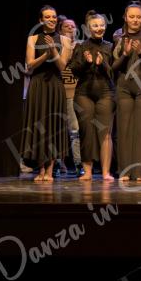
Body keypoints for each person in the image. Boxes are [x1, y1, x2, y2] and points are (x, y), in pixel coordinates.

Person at [21, 5, 73, 182]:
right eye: (48, 17)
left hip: (55, 85)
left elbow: (62, 66)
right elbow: (29, 65)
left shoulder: (65, 40)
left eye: (54, 17)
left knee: (53, 125)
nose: (51, 19)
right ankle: (40, 169)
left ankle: (50, 170)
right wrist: (45, 55)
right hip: (38, 84)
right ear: (40, 20)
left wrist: (54, 51)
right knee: (38, 123)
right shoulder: (33, 38)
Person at [112, 2, 141, 182]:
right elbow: (114, 67)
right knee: (124, 130)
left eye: (138, 17)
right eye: (132, 17)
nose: (135, 20)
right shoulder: (119, 38)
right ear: (125, 18)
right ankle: (125, 170)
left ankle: (140, 172)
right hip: (124, 87)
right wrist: (125, 53)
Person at [69, 11, 116, 181]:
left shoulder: (110, 46)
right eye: (95, 25)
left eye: (102, 25)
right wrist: (86, 62)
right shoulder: (81, 47)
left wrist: (102, 64)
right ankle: (87, 171)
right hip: (84, 93)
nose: (99, 28)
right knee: (86, 131)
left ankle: (105, 172)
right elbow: (73, 70)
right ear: (88, 28)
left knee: (105, 132)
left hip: (106, 92)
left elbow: (114, 72)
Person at [58, 17, 83, 177]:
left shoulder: (80, 46)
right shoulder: (58, 46)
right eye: (66, 26)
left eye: (73, 26)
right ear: (61, 29)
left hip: (77, 91)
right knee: (58, 129)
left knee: (75, 129)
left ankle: (79, 163)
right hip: (60, 90)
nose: (70, 28)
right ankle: (57, 163)